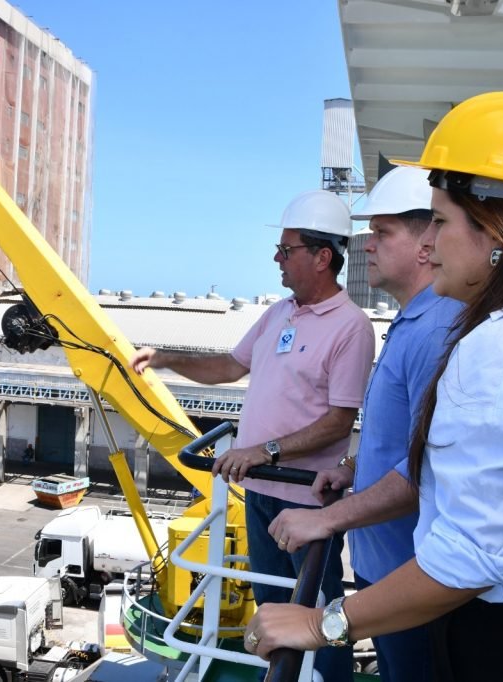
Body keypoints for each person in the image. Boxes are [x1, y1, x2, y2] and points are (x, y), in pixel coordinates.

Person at [246, 91, 503, 681]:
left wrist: (321, 624)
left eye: (439, 220)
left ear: (497, 231)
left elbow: (471, 558)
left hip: (502, 650)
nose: (428, 243)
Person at [130, 189, 375, 682]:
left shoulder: (352, 328)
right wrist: (165, 358)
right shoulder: (279, 313)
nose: (276, 259)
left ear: (322, 257)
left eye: (286, 250)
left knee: (319, 611)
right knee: (271, 606)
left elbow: (339, 420)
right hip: (260, 493)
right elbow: (228, 366)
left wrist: (264, 451)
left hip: (307, 501)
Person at [275, 165, 462, 680]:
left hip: (412, 580)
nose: (368, 245)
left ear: (426, 244)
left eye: (382, 232)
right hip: (388, 568)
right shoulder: (413, 321)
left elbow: (429, 468)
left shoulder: (436, 331)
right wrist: (354, 467)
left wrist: (328, 518)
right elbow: (407, 437)